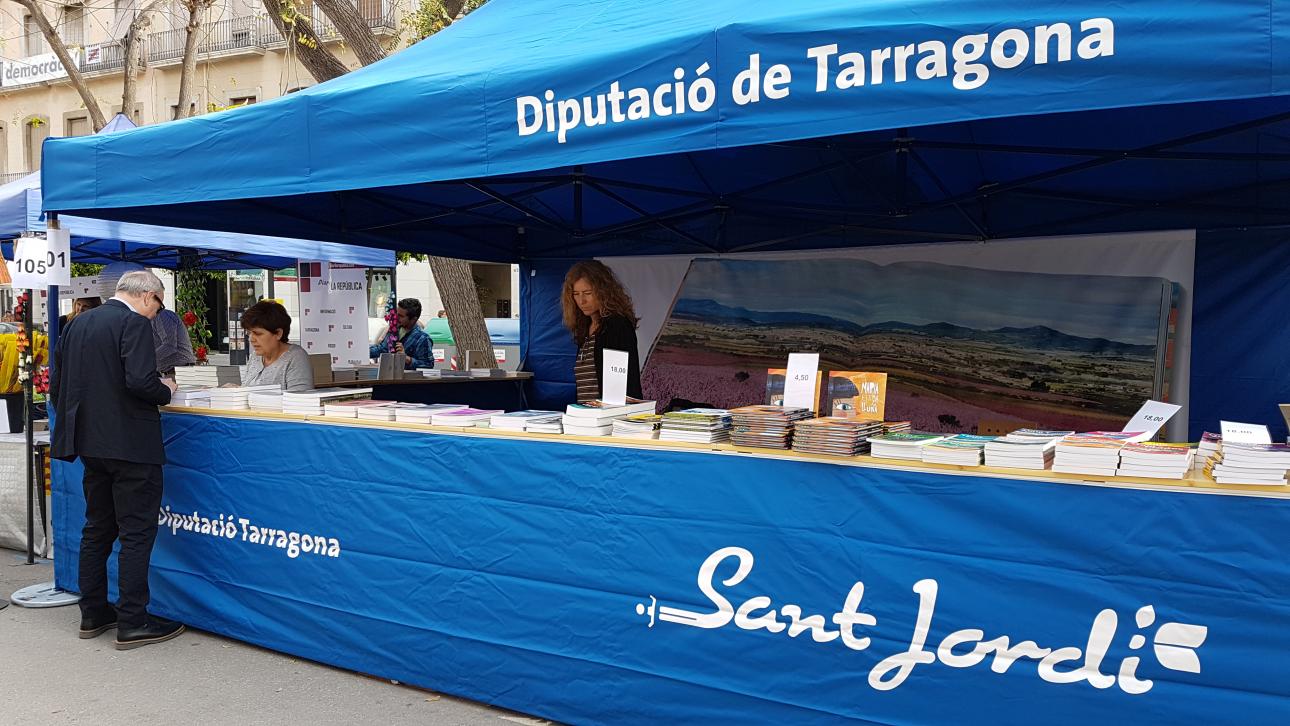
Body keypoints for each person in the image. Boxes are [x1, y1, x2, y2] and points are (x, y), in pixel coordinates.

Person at [49, 270, 184, 651]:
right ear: (148, 297)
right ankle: (133, 620)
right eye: (159, 305)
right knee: (137, 533)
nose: (157, 314)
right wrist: (166, 388)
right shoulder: (134, 323)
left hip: (91, 444)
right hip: (131, 445)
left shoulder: (78, 324)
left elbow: (58, 385)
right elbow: (141, 383)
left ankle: (93, 613)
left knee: (97, 528)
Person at [562, 260, 642, 402]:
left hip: (609, 417)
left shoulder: (617, 325)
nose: (582, 301)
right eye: (576, 294)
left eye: (587, 293)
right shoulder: (584, 328)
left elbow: (624, 383)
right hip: (587, 415)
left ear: (603, 291)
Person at [240, 300, 314, 391]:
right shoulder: (254, 357)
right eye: (249, 333)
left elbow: (300, 399)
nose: (251, 339)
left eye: (258, 334)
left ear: (278, 333)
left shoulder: (295, 357)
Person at [369, 298, 433, 370]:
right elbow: (382, 349)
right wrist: (362, 352)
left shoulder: (423, 338)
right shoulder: (394, 330)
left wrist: (406, 358)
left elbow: (428, 365)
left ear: (413, 319)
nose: (396, 317)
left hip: (407, 380)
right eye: (396, 314)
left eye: (401, 316)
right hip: (389, 377)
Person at [152, 306, 196, 377]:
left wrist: (146, 359)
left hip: (177, 373)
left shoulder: (162, 315)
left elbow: (169, 346)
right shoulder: (152, 319)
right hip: (169, 372)